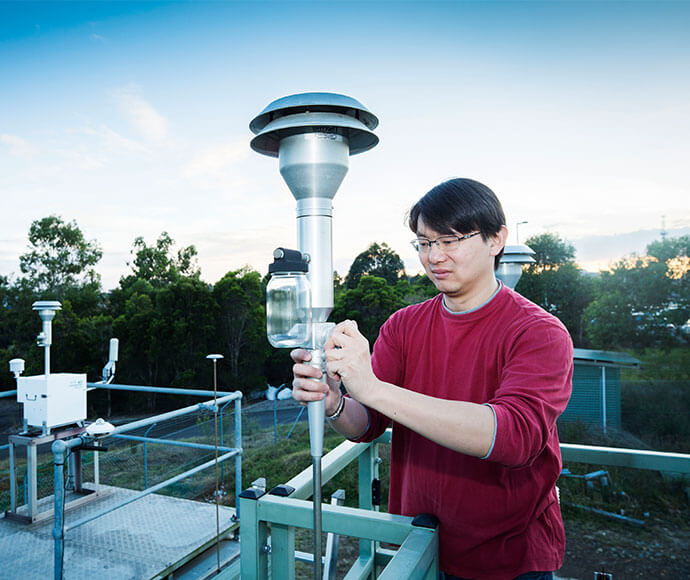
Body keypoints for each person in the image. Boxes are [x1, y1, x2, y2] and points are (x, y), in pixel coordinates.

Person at [291, 178, 573, 580]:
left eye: (450, 240)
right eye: (424, 243)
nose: (434, 256)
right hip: (418, 546)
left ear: (497, 240)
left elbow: (514, 437)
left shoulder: (539, 332)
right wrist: (334, 401)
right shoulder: (405, 325)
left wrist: (371, 386)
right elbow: (369, 423)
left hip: (508, 559)